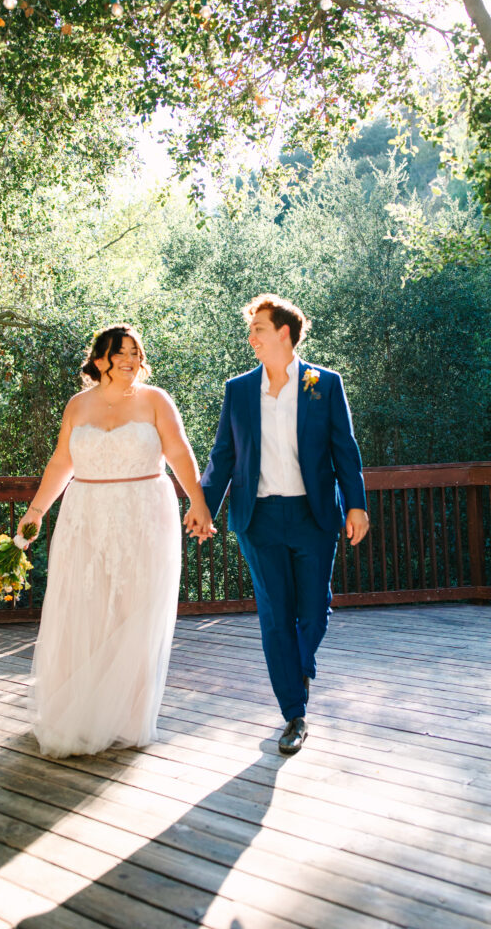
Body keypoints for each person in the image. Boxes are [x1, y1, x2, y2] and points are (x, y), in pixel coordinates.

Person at [16, 325, 214, 758]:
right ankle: (81, 711)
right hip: (84, 516)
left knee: (136, 609)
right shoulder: (77, 405)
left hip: (145, 513)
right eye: (119, 351)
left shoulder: (155, 400)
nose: (129, 358)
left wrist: (197, 502)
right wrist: (35, 513)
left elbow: (180, 453)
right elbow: (61, 461)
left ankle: (127, 716)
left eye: (135, 352)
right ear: (99, 358)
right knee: (86, 608)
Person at [201, 294, 369, 755]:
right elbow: (223, 458)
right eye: (251, 328)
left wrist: (357, 506)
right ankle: (294, 713)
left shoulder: (324, 384)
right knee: (275, 618)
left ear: (284, 333)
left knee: (313, 611)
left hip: (313, 516)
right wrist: (204, 507)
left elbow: (345, 452)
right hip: (259, 518)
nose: (250, 336)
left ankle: (299, 670)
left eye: (258, 328)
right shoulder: (238, 389)